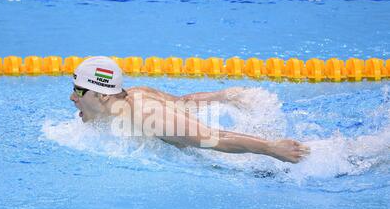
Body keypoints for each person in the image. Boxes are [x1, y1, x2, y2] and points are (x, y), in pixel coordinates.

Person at [70, 56, 310, 163]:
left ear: (102, 95)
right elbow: (183, 101)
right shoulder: (135, 93)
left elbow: (214, 138)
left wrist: (271, 148)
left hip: (242, 162)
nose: (72, 98)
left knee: (313, 155)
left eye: (79, 91)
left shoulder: (145, 115)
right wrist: (222, 96)